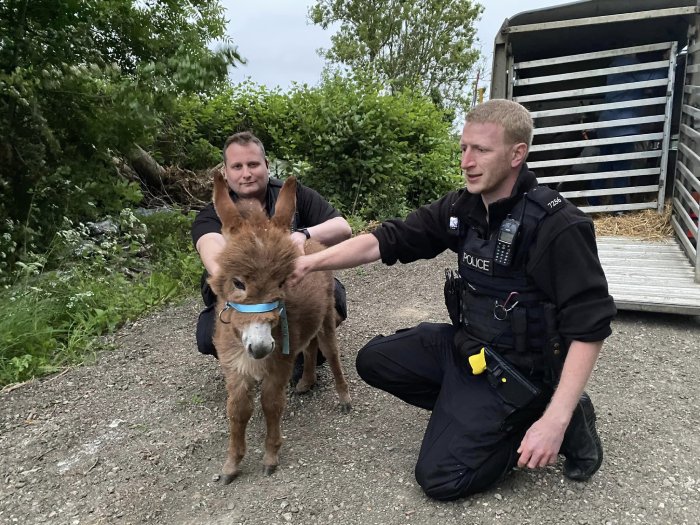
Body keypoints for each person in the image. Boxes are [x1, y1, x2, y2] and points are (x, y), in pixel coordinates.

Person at [290, 99, 617, 501]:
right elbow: (386, 239)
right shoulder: (462, 207)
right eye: (463, 148)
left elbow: (590, 327)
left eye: (481, 150)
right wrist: (310, 263)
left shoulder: (558, 226)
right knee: (374, 360)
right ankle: (473, 413)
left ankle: (551, 414)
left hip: (519, 370)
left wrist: (556, 418)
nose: (467, 161)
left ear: (518, 154)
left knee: (441, 479)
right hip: (469, 348)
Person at [191, 131, 352, 362]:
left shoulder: (296, 194)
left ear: (266, 165)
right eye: (237, 167)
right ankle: (249, 358)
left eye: (253, 164)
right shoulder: (213, 213)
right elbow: (210, 249)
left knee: (332, 300)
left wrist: (302, 235)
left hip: (290, 290)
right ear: (225, 173)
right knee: (208, 336)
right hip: (243, 298)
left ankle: (303, 351)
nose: (246, 173)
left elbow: (342, 228)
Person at [590, 52, 668, 206]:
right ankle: (619, 207)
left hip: (607, 125)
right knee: (622, 168)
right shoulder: (628, 63)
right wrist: (667, 63)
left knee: (605, 165)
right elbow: (653, 79)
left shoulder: (614, 64)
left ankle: (593, 201)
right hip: (622, 128)